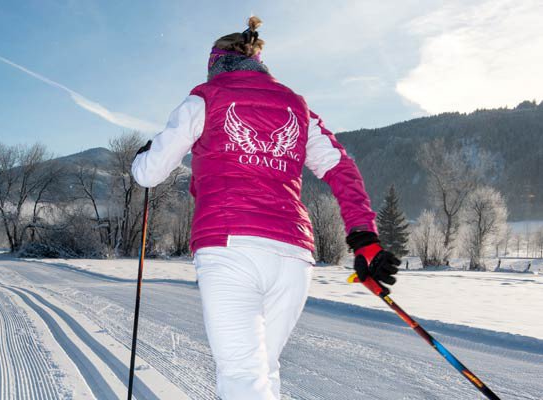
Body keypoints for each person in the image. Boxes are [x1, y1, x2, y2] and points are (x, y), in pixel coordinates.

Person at [131, 16, 400, 400]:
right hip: (292, 256)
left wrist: (143, 158)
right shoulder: (296, 106)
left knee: (243, 378)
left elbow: (150, 173)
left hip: (229, 247)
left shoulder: (205, 97)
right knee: (262, 372)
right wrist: (364, 235)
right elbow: (341, 167)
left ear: (215, 63)